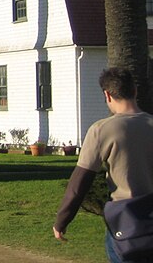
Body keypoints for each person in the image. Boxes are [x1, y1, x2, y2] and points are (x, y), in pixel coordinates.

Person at [53, 67, 153, 262]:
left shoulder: (102, 130)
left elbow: (79, 183)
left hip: (127, 222)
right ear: (135, 91)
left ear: (107, 95)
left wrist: (62, 221)